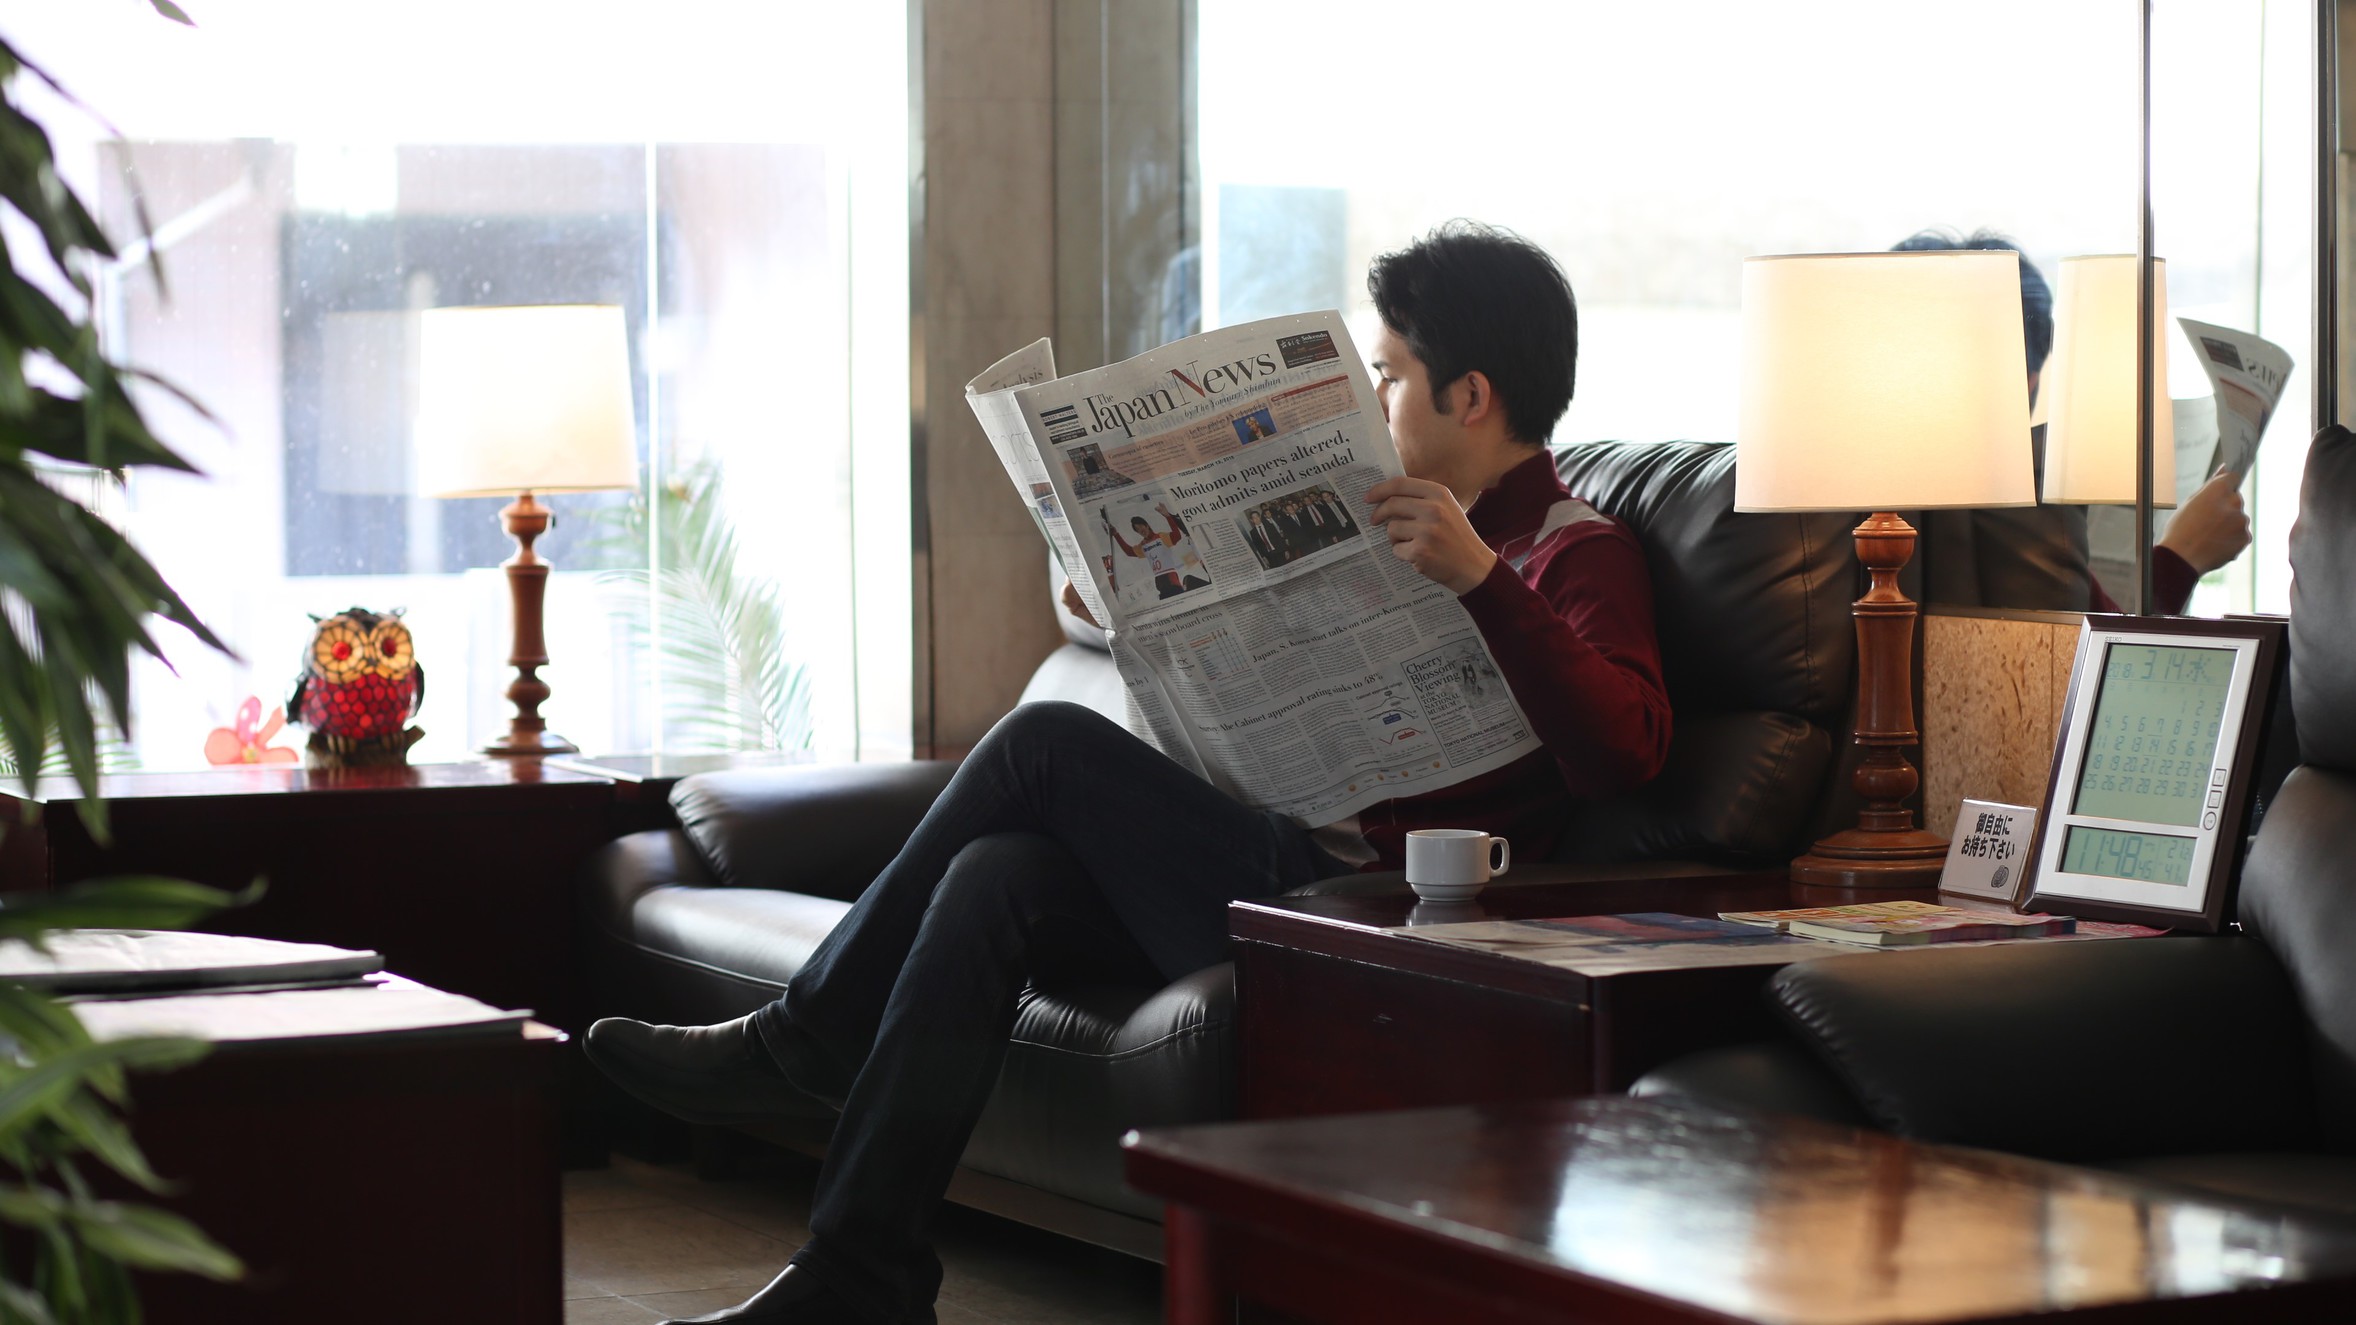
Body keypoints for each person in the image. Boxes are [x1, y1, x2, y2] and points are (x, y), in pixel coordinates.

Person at [583, 220, 1673, 1325]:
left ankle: (809, 1036)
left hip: (1355, 912)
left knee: (1042, 742)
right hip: (1263, 860)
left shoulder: (1575, 551)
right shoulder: (1378, 528)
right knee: (992, 877)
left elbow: (1624, 750)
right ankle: (861, 1273)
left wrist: (1483, 579)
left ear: (1470, 395)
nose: (1375, 399)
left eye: (1387, 376)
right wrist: (1126, 604)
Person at [1893, 229, 2250, 614]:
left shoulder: (1854, 510)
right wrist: (2181, 556)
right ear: (2028, 380)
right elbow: (2092, 649)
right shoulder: (2030, 520)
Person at [1103, 503, 1210, 598]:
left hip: (1171, 579)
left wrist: (1167, 516)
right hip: (1159, 583)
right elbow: (1129, 552)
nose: (1141, 530)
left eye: (1141, 527)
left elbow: (1177, 536)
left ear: (1147, 525)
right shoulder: (1143, 545)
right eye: (1137, 530)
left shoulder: (1161, 537)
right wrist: (1116, 534)